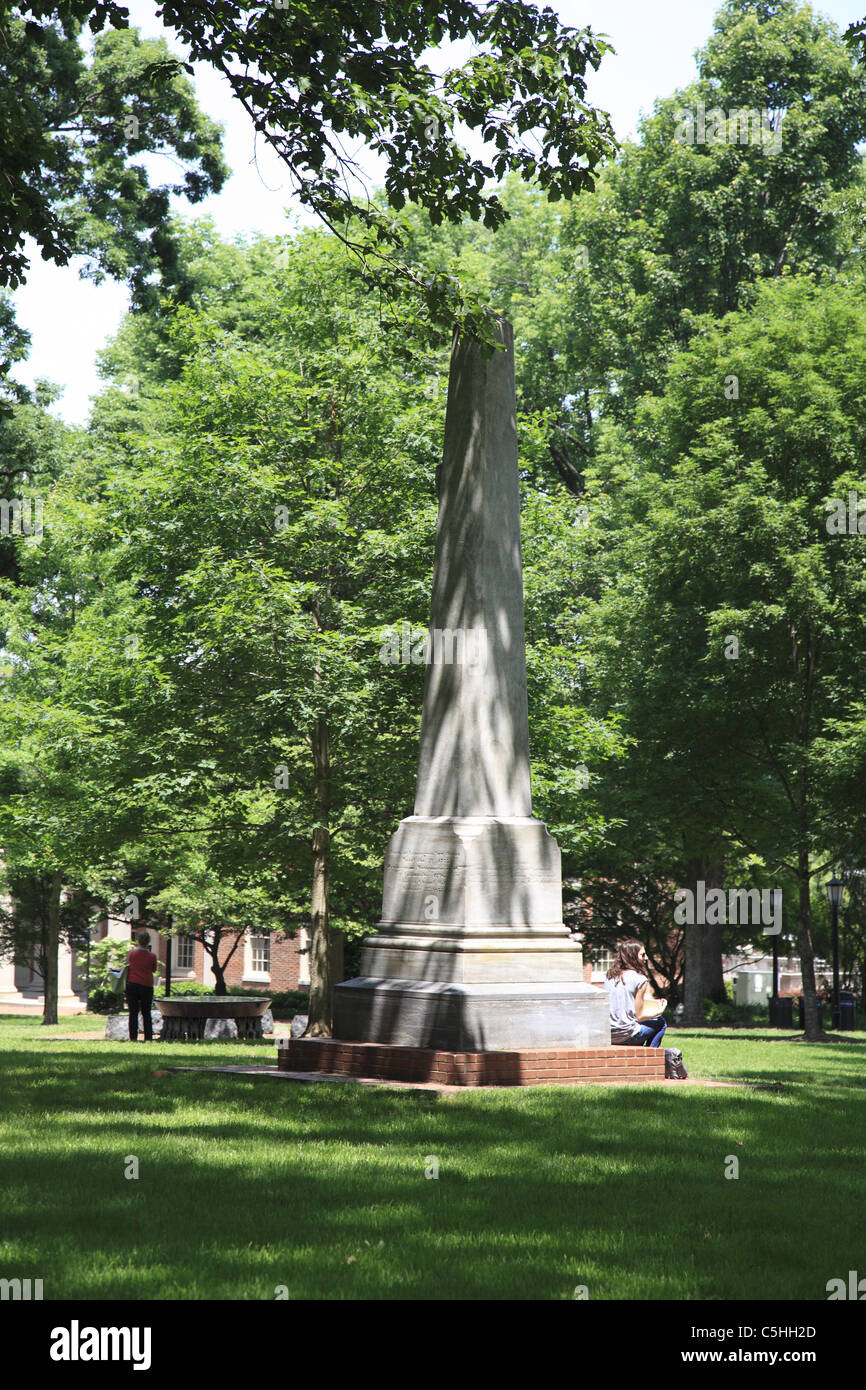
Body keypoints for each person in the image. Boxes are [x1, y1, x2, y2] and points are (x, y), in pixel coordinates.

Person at [605, 940, 668, 1046]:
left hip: (608, 1034)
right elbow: (639, 1016)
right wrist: (659, 1010)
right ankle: (650, 1058)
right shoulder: (640, 979)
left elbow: (623, 1002)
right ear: (632, 956)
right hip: (627, 1035)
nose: (646, 958)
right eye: (643, 955)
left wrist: (652, 1002)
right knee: (661, 1022)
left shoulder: (609, 977)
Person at [126, 930, 163, 1042]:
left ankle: (133, 1037)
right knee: (146, 1012)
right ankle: (148, 1037)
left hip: (132, 984)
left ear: (138, 941)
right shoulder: (152, 956)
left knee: (133, 1012)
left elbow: (128, 964)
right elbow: (153, 969)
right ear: (148, 942)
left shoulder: (131, 953)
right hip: (147, 985)